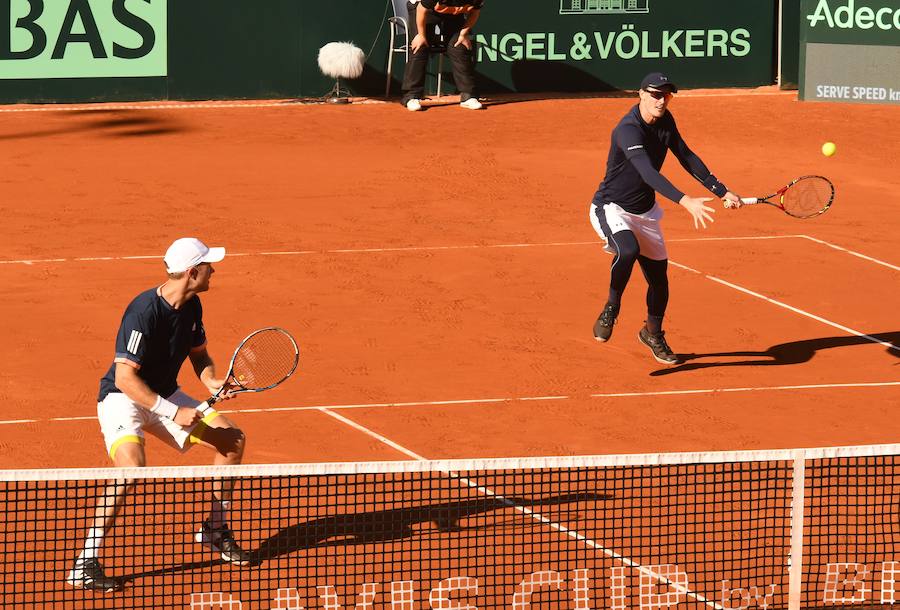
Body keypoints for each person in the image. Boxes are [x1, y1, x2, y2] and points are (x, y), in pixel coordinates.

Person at [66, 238, 250, 591]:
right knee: (131, 467)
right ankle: (85, 562)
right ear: (193, 272)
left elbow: (199, 356)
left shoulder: (192, 306)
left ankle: (214, 529)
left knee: (231, 440)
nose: (214, 270)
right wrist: (172, 411)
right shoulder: (143, 311)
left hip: (165, 394)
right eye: (209, 265)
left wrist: (212, 382)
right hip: (123, 398)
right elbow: (125, 377)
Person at [588, 72, 742, 365]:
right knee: (628, 249)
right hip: (611, 208)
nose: (661, 100)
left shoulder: (666, 122)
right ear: (641, 94)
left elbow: (686, 156)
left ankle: (652, 333)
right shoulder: (628, 130)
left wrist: (721, 191)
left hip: (645, 212)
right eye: (656, 94)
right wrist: (685, 201)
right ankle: (612, 306)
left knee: (659, 280)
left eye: (666, 95)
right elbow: (648, 172)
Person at [400, 0, 484, 111]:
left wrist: (463, 34)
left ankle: (468, 96)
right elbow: (421, 9)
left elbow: (475, 12)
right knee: (420, 46)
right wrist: (421, 35)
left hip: (452, 12)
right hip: (423, 8)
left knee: (459, 46)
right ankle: (411, 96)